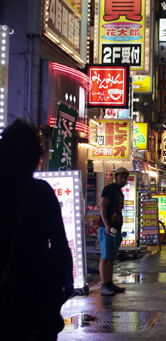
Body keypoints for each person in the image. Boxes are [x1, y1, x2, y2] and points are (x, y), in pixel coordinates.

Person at [0, 118, 74, 340]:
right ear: (35, 157)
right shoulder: (40, 192)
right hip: (31, 293)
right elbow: (59, 245)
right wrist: (63, 285)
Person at [98, 167, 130, 296]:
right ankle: (104, 285)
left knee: (111, 256)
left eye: (125, 177)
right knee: (105, 257)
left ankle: (110, 283)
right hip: (107, 227)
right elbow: (102, 206)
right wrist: (106, 225)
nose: (123, 179)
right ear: (115, 177)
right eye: (121, 177)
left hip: (116, 227)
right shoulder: (109, 189)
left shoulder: (119, 192)